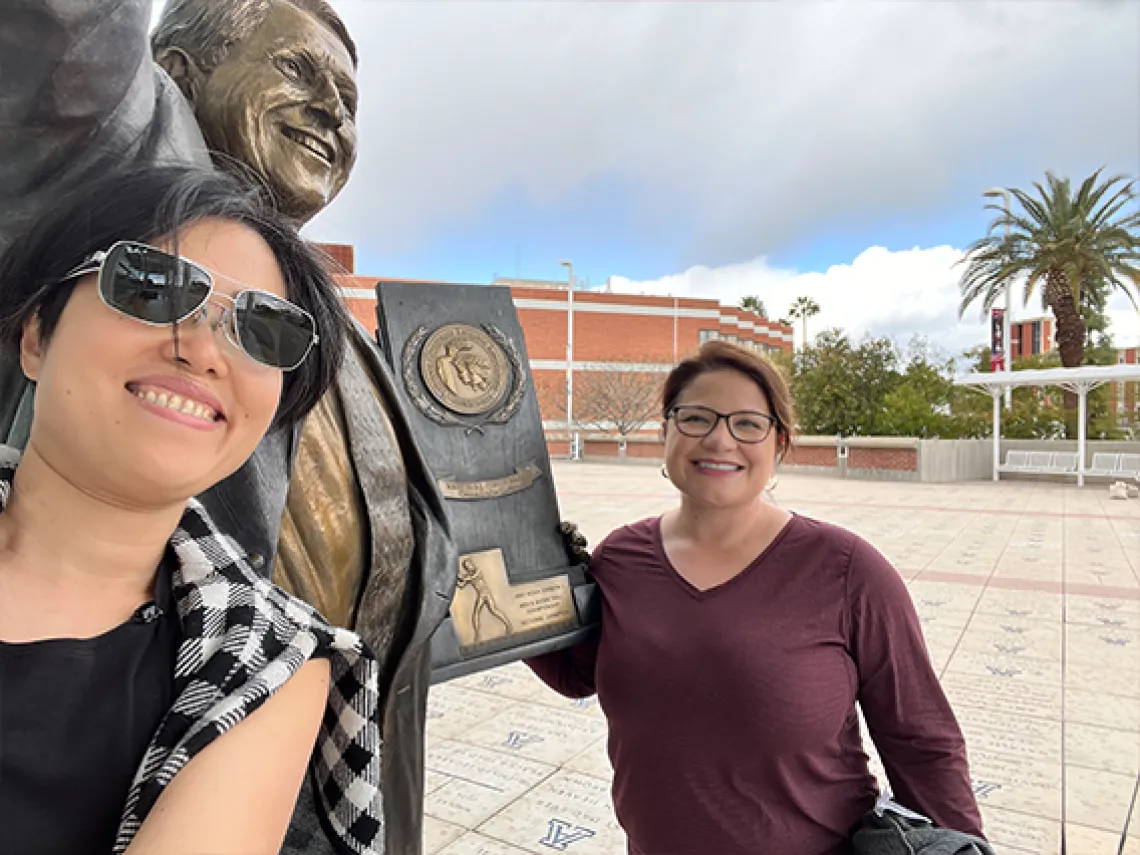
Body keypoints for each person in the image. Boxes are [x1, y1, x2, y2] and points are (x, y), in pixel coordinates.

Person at [0, 4, 455, 851]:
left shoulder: (330, 330)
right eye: (298, 71)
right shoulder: (99, 166)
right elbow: (60, 38)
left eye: (262, 329)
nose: (204, 347)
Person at [0, 164, 384, 855]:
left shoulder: (269, 668)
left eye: (263, 329)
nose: (204, 350)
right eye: (151, 287)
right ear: (36, 334)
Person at [527, 341, 984, 855]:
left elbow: (921, 741)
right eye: (696, 418)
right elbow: (576, 673)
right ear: (665, 433)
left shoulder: (847, 570)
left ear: (779, 445)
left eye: (747, 424)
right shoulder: (620, 559)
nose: (720, 439)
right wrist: (512, 584)